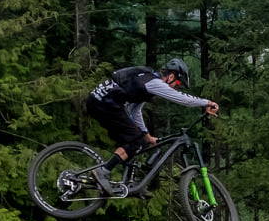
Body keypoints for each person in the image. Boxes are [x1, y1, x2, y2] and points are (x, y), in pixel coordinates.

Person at [84, 58, 218, 192]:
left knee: (138, 141)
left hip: (99, 101)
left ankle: (130, 184)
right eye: (177, 83)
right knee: (135, 142)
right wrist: (207, 102)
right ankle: (103, 172)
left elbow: (134, 111)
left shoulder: (145, 81)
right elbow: (183, 100)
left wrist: (147, 136)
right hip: (105, 104)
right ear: (171, 76)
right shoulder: (155, 82)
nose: (176, 86)